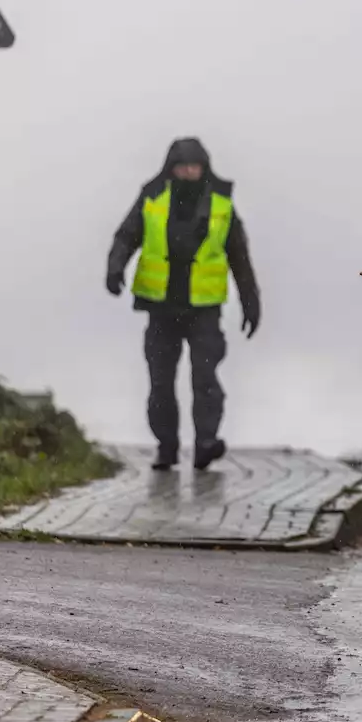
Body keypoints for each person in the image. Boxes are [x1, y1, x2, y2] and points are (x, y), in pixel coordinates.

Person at [106, 137, 261, 472]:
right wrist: (114, 267)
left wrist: (251, 302)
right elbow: (126, 235)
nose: (188, 172)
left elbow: (239, 256)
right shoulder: (152, 198)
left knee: (205, 379)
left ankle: (205, 443)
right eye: (182, 166)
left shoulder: (222, 204)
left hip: (204, 311)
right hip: (160, 309)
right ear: (170, 168)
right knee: (161, 382)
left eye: (194, 166)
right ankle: (167, 446)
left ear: (204, 168)